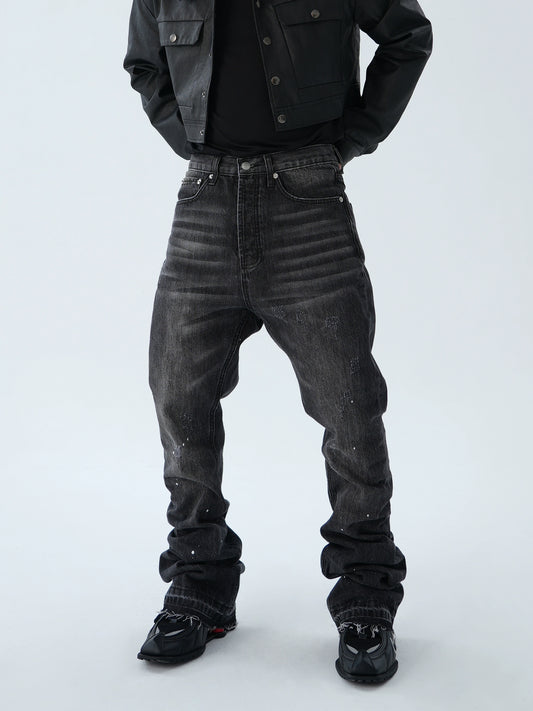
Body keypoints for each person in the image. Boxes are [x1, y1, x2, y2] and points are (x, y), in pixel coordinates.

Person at [123, 0, 432, 684]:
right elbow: (145, 65)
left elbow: (408, 35)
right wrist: (189, 138)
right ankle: (199, 583)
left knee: (348, 406)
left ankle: (366, 593)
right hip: (204, 199)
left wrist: (353, 137)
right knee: (177, 396)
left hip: (307, 201)